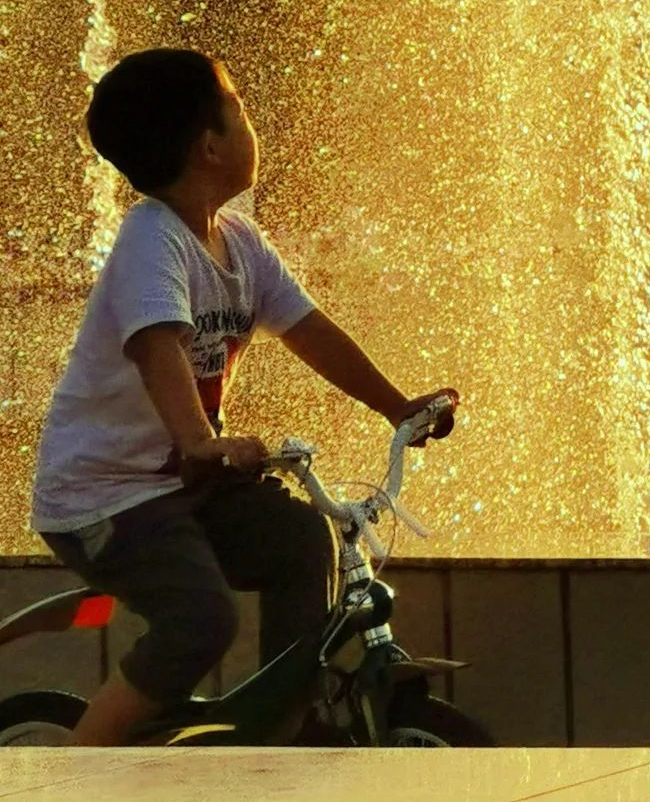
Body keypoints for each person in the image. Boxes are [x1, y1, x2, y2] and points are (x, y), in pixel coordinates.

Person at [29, 48, 458, 747]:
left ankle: (280, 735)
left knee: (297, 541)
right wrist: (200, 441)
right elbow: (156, 346)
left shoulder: (238, 241)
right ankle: (73, 774)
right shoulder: (152, 242)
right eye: (239, 109)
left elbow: (310, 331)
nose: (251, 122)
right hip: (105, 498)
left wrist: (396, 406)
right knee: (199, 621)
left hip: (181, 486)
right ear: (209, 146)